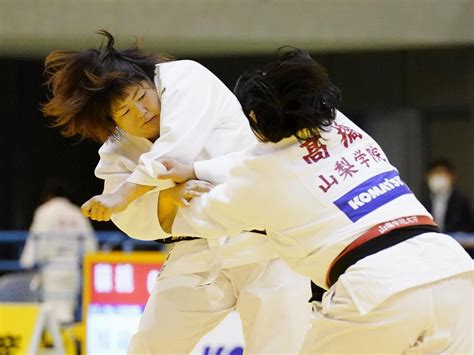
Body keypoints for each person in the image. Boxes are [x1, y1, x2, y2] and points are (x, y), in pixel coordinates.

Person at [157, 49, 474, 354]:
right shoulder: (342, 126)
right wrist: (197, 168)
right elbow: (254, 158)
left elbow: (191, 217)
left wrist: (162, 195)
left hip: (378, 288)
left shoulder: (260, 176)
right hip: (452, 270)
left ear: (254, 118)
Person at [42, 31, 311, 354]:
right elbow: (127, 220)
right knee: (150, 347)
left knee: (281, 349)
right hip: (197, 251)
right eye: (126, 113)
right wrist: (164, 201)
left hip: (265, 242)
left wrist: (127, 193)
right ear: (113, 123)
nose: (141, 112)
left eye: (142, 98)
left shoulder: (183, 77)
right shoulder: (118, 147)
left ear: (151, 82)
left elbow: (176, 152)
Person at [20, 178, 97, 324]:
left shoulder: (45, 211)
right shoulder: (76, 213)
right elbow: (90, 245)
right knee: (68, 308)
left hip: (52, 268)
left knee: (52, 309)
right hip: (73, 269)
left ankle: (57, 343)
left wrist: (27, 263)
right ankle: (64, 341)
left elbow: (36, 238)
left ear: (47, 196)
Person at [423, 158, 472, 233]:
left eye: (442, 173)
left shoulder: (461, 201)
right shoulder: (424, 202)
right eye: (435, 173)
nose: (438, 177)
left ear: (452, 176)